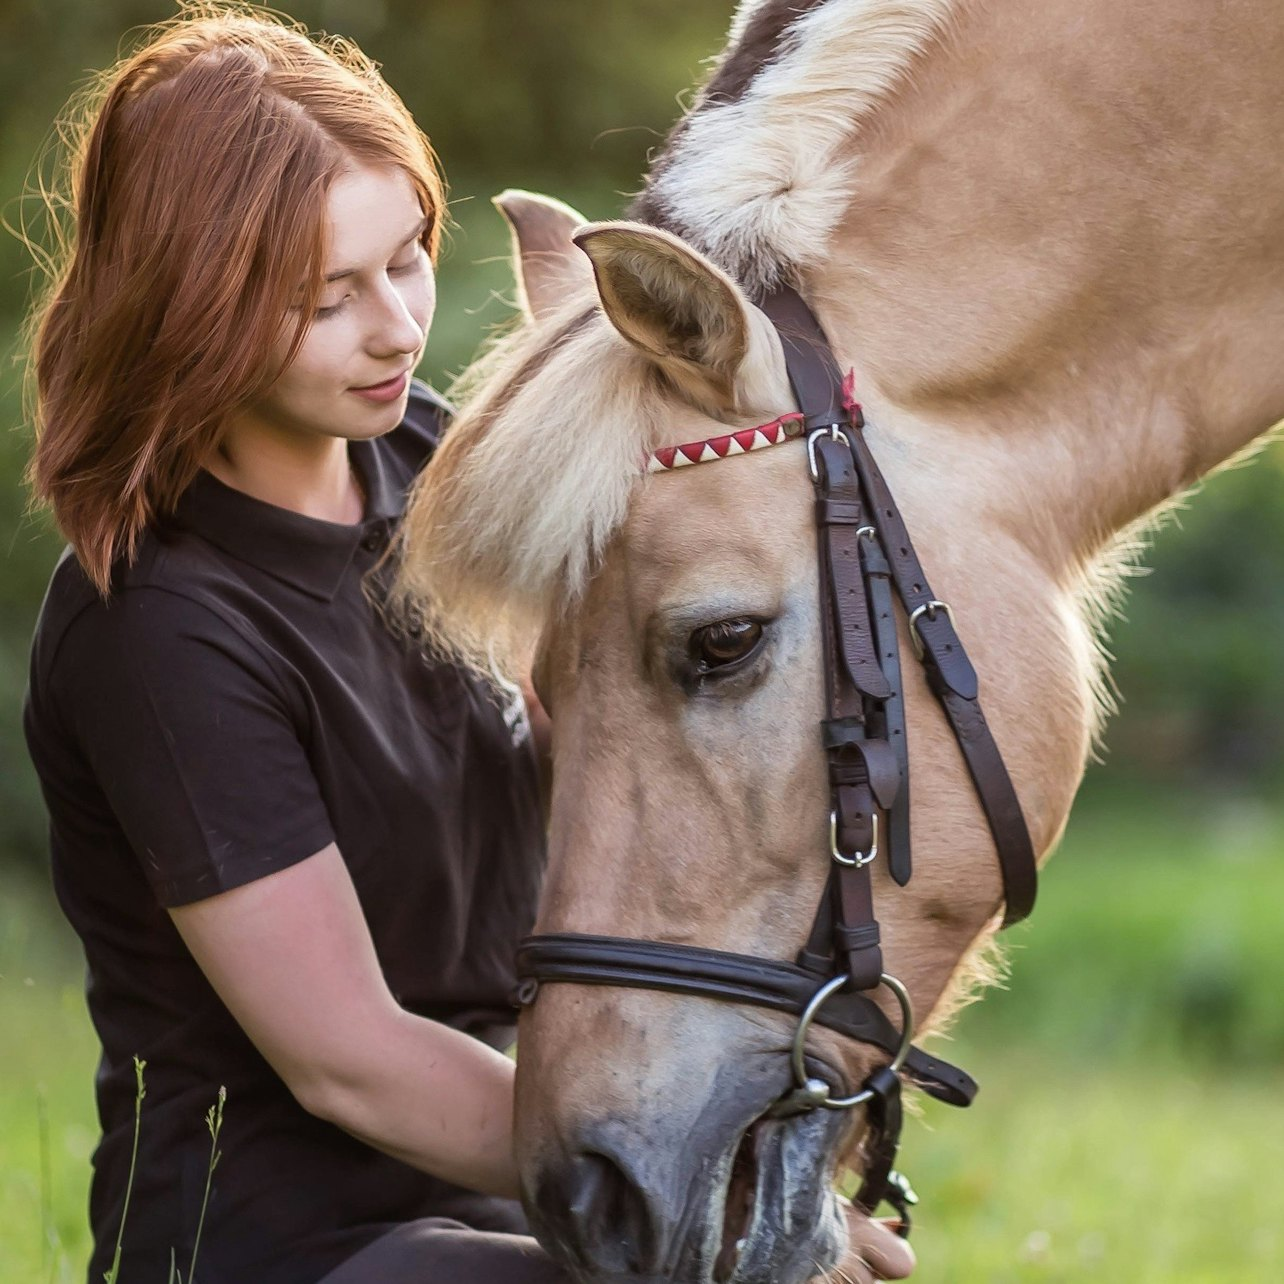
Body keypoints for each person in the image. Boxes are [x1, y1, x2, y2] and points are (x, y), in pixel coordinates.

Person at [20, 7, 915, 1283]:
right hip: (298, 1243)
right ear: (191, 306)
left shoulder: (428, 463)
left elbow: (597, 736)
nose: (395, 327)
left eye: (408, 259)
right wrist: (700, 1186)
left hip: (523, 1197)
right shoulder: (161, 629)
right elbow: (352, 1060)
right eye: (329, 297)